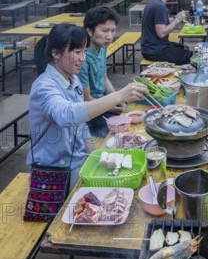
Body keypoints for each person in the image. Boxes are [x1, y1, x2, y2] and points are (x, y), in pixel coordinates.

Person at [27, 23, 149, 190]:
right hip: (53, 172)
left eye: (84, 51)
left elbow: (81, 125)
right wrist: (118, 96)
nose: (82, 58)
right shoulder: (44, 87)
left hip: (77, 162)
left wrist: (95, 156)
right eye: (77, 52)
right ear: (55, 53)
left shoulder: (73, 79)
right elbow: (67, 115)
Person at [79, 6, 123, 138]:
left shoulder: (101, 47)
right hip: (91, 114)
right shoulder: (82, 57)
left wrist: (119, 100)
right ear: (89, 30)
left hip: (104, 104)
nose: (109, 37)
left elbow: (104, 79)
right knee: (119, 137)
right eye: (104, 31)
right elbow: (86, 100)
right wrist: (116, 108)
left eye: (113, 31)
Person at [141, 0, 193, 65]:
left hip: (150, 48)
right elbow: (161, 33)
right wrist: (177, 20)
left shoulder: (153, 2)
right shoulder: (159, 6)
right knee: (190, 56)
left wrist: (172, 19)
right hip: (155, 50)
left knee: (185, 48)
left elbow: (157, 22)